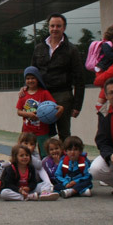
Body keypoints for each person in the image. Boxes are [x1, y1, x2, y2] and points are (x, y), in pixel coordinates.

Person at [31, 13, 84, 141]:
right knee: (42, 133)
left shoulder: (72, 50)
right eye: (52, 26)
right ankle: (46, 160)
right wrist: (27, 90)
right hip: (42, 95)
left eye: (58, 26)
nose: (55, 29)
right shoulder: (39, 48)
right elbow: (32, 73)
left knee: (64, 133)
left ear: (64, 28)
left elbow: (79, 79)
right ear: (48, 27)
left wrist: (77, 105)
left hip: (63, 96)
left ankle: (65, 160)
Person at [16, 66, 63, 157]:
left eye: (33, 78)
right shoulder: (23, 94)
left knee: (45, 154)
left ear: (38, 79)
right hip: (27, 131)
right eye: (28, 78)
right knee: (25, 153)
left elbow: (54, 107)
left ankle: (45, 169)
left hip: (42, 130)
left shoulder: (44, 93)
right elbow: (19, 111)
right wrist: (28, 114)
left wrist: (61, 109)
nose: (30, 80)